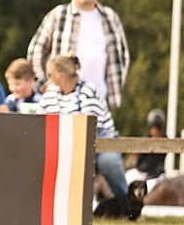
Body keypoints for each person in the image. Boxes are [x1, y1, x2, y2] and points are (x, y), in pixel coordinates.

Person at [27, 0, 129, 108]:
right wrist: (43, 82)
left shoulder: (110, 17)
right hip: (60, 98)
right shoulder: (58, 14)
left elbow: (122, 56)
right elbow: (36, 49)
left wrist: (115, 87)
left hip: (98, 97)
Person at [38, 53, 128, 198]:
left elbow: (89, 126)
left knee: (108, 161)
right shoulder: (50, 95)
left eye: (50, 74)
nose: (48, 78)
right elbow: (40, 118)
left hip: (98, 142)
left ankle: (125, 200)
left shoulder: (87, 90)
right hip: (64, 144)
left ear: (61, 75)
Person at [127, 108, 167, 184]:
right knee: (126, 179)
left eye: (157, 128)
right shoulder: (146, 138)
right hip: (141, 171)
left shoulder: (165, 140)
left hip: (155, 173)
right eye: (153, 128)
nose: (155, 131)